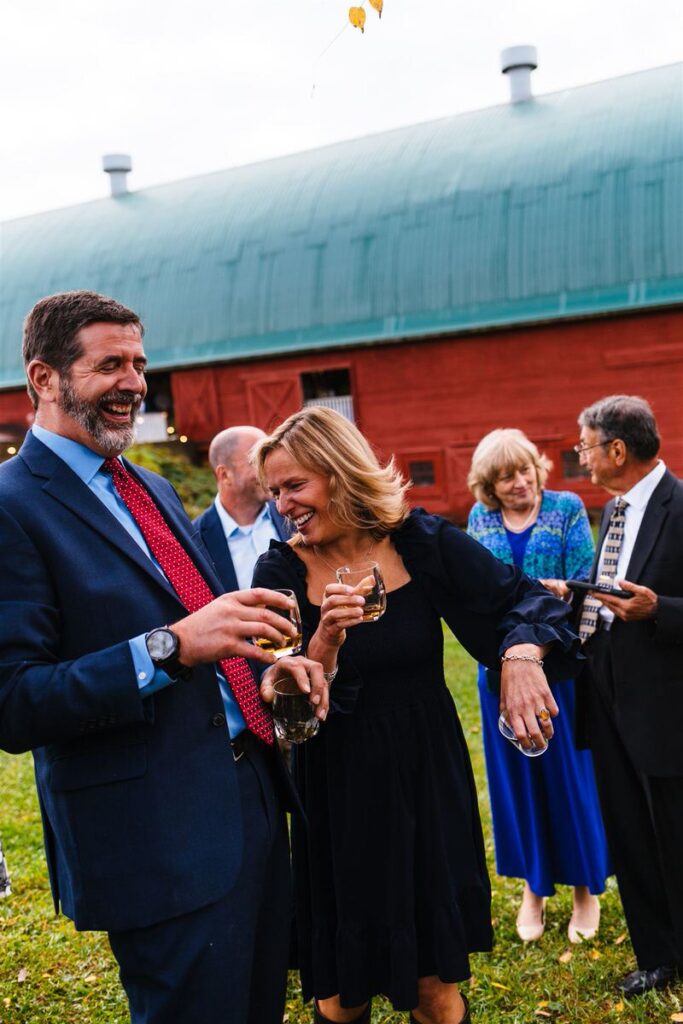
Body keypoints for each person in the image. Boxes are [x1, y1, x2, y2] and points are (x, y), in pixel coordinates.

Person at [0, 290, 329, 1024]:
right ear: (44, 379)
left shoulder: (146, 486)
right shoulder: (11, 506)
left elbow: (208, 627)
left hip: (249, 804)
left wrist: (268, 670)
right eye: (108, 365)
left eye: (140, 364)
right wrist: (170, 648)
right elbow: (15, 703)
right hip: (152, 838)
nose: (134, 383)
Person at [250, 406, 579, 1024]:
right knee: (342, 996)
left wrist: (520, 654)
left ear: (339, 472)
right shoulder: (280, 572)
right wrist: (323, 644)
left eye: (295, 486)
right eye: (274, 491)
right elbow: (281, 705)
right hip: (338, 790)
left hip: (426, 781)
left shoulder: (418, 542)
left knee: (434, 986)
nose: (283, 503)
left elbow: (523, 598)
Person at [467, 429, 609, 944]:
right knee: (519, 780)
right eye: (506, 476)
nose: (520, 481)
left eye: (525, 469)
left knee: (567, 777)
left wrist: (561, 591)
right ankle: (534, 887)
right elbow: (473, 590)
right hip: (498, 671)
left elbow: (584, 577)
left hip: (558, 666)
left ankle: (583, 891)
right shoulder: (478, 519)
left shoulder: (567, 507)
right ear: (489, 485)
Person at [574, 394, 683, 998]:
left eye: (584, 444)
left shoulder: (681, 505)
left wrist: (658, 609)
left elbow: (651, 603)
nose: (580, 455)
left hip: (667, 707)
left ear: (618, 449)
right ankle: (658, 956)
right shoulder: (612, 512)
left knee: (673, 830)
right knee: (630, 833)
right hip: (607, 695)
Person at [195, 426, 290, 592]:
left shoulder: (292, 515)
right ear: (224, 475)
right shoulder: (195, 540)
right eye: (256, 462)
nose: (267, 471)